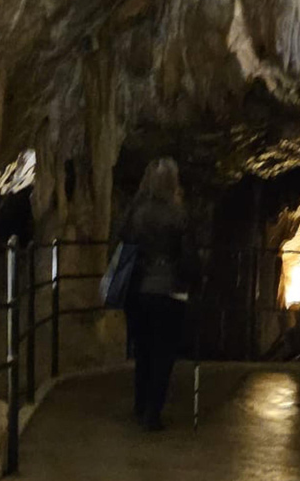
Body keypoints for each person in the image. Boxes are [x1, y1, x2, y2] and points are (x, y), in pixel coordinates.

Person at [119, 157, 197, 431]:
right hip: (169, 290)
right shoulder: (178, 214)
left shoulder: (136, 212)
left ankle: (140, 404)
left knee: (143, 350)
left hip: (139, 290)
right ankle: (153, 412)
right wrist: (190, 282)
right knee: (163, 353)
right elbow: (188, 256)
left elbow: (124, 244)